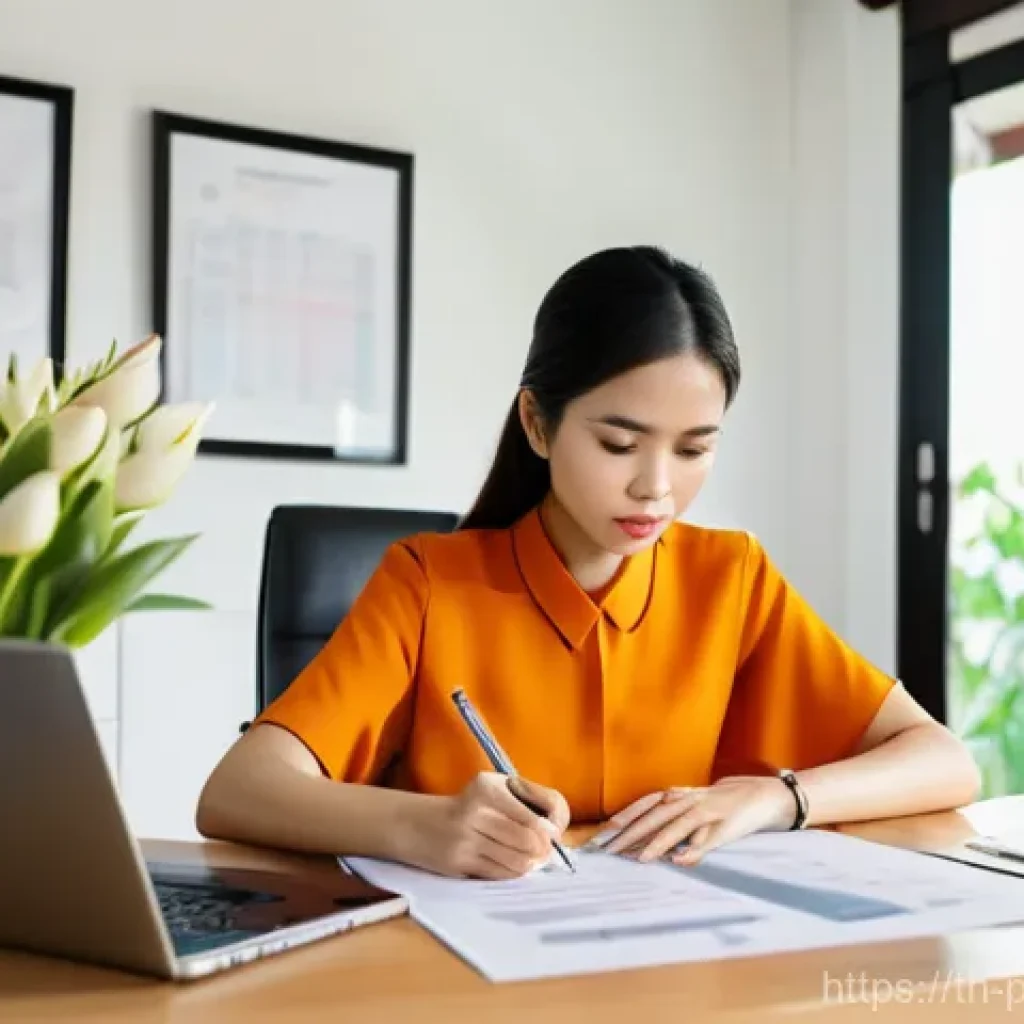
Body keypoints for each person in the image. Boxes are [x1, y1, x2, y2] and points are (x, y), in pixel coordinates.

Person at [197, 246, 979, 880]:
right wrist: (425, 825)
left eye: (695, 448)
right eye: (618, 443)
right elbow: (236, 791)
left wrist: (776, 799)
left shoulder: (731, 577)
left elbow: (943, 760)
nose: (656, 486)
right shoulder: (429, 581)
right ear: (537, 423)